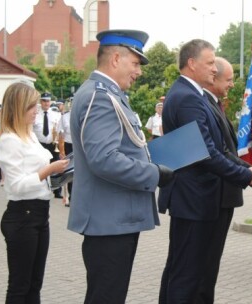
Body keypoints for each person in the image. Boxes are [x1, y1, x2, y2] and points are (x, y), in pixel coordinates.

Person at [67, 29, 173, 303]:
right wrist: (154, 173)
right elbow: (103, 158)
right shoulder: (100, 96)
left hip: (112, 220)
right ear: (116, 58)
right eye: (136, 63)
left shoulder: (106, 94)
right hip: (108, 221)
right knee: (106, 297)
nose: (138, 72)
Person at [158, 39, 252, 304]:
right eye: (209, 63)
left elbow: (218, 148)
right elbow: (205, 153)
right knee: (187, 275)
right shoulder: (186, 98)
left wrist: (247, 170)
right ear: (191, 63)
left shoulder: (191, 95)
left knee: (193, 272)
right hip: (194, 199)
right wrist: (247, 176)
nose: (214, 70)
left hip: (198, 199)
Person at [0, 80, 69, 303]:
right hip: (22, 215)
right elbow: (17, 184)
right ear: (18, 108)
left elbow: (39, 175)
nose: (36, 110)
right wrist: (48, 171)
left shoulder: (29, 135)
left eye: (37, 105)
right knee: (20, 286)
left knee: (34, 284)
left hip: (38, 213)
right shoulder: (9, 140)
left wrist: (61, 173)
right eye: (31, 106)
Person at [196, 56, 251, 304]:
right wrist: (248, 175)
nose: (231, 85)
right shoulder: (200, 103)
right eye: (228, 80)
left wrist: (249, 169)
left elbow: (225, 150)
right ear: (213, 78)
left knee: (208, 268)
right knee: (202, 269)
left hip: (220, 196)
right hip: (209, 198)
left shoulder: (214, 104)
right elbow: (212, 153)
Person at [33, 92, 62, 199]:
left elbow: (60, 131)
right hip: (40, 145)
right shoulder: (35, 115)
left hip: (53, 144)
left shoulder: (56, 115)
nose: (46, 103)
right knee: (40, 167)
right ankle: (40, 187)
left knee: (56, 167)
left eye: (48, 101)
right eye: (44, 101)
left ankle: (57, 190)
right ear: (41, 102)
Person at [57, 99, 72, 207]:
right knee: (70, 172)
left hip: (81, 145)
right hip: (69, 145)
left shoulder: (86, 114)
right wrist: (61, 151)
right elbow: (61, 134)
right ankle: (71, 197)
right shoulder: (65, 117)